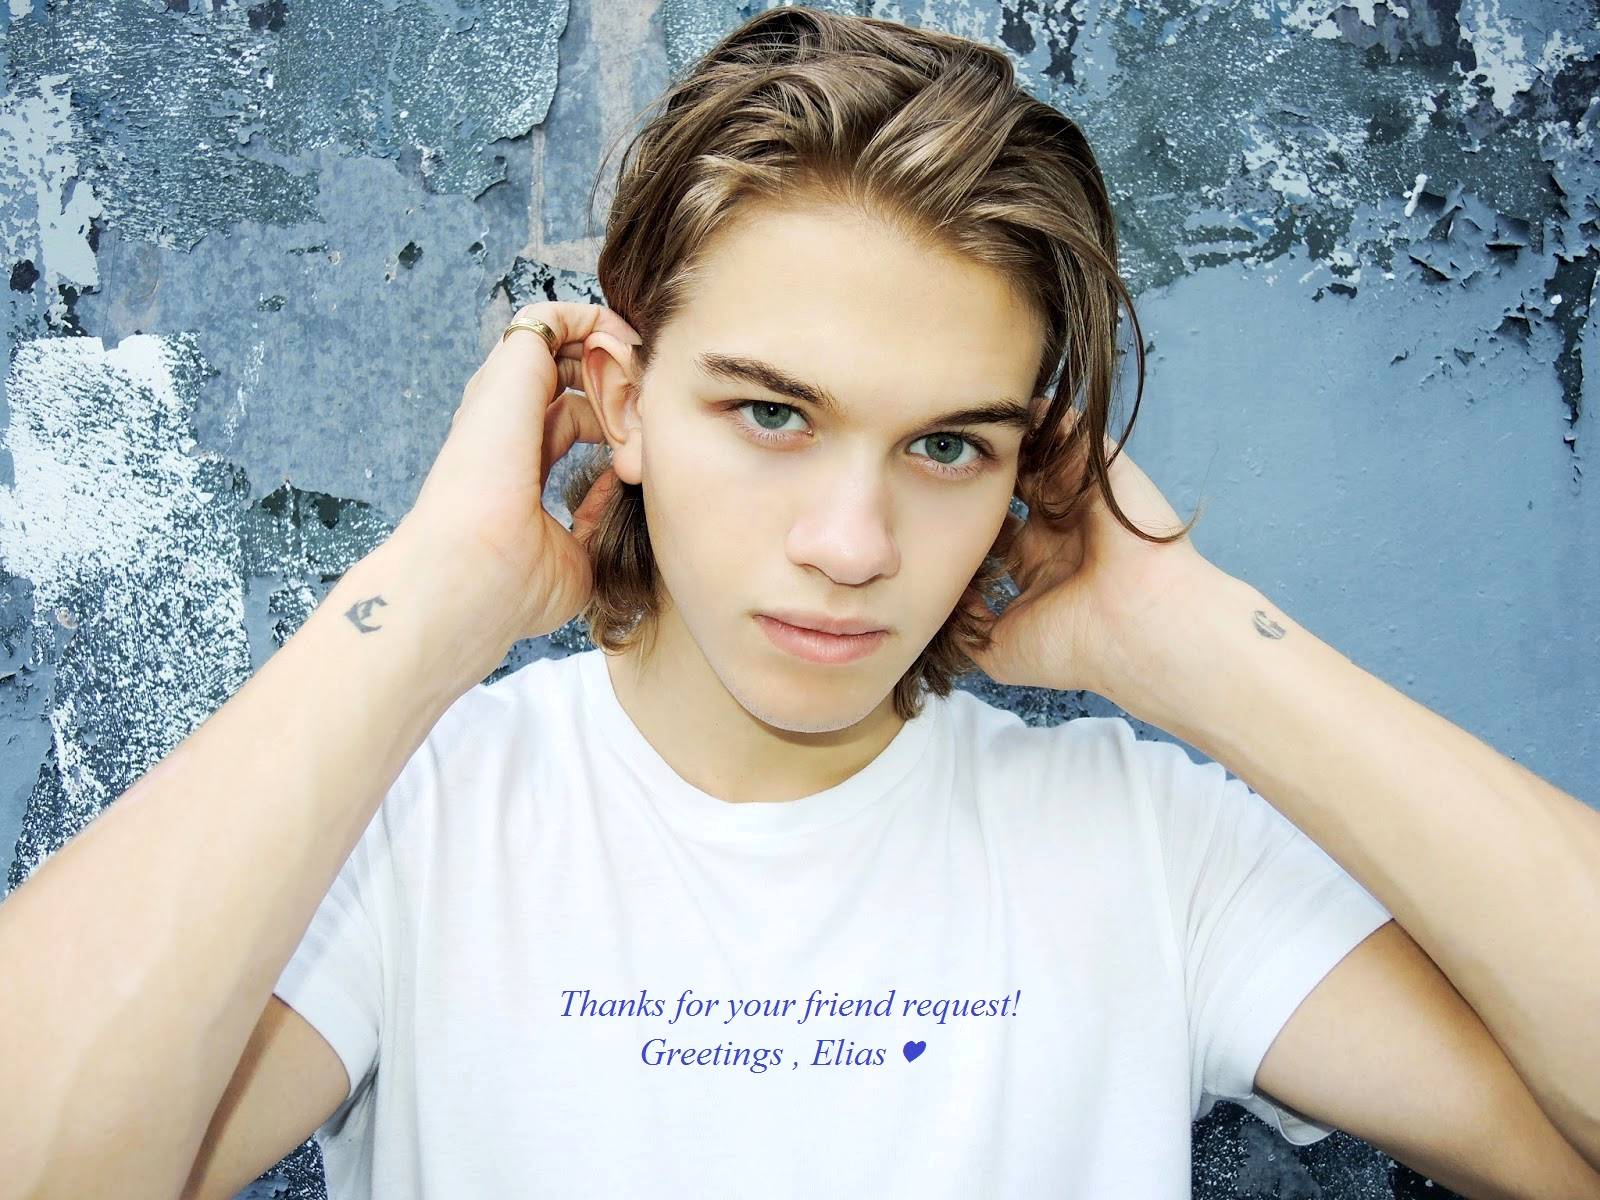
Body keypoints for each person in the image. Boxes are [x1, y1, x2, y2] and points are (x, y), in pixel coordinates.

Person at [14, 9, 1593, 1200]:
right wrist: (430, 601)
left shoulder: (1149, 846)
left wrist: (1191, 638)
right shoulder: (411, 822)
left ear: (1023, 467)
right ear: (621, 402)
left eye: (948, 445)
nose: (852, 544)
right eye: (772, 413)